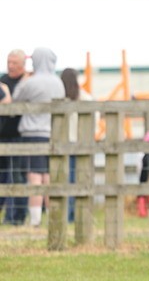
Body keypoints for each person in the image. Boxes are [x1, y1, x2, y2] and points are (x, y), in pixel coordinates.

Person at [10, 48, 66, 228]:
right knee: (48, 176)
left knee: (34, 177)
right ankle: (52, 217)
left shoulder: (31, 82)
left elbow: (16, 99)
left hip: (32, 134)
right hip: (52, 133)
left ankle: (35, 220)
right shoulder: (58, 83)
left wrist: (25, 79)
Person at [60, 68, 93, 223]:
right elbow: (95, 119)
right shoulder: (86, 97)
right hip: (82, 145)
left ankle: (67, 214)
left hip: (63, 145)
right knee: (81, 180)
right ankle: (78, 214)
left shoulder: (60, 98)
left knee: (64, 180)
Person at [0, 49, 28, 225]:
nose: (10, 66)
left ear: (22, 64)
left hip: (20, 136)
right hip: (2, 135)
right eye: (9, 62)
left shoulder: (27, 82)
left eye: (14, 63)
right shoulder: (3, 80)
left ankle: (16, 217)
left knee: (17, 176)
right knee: (2, 176)